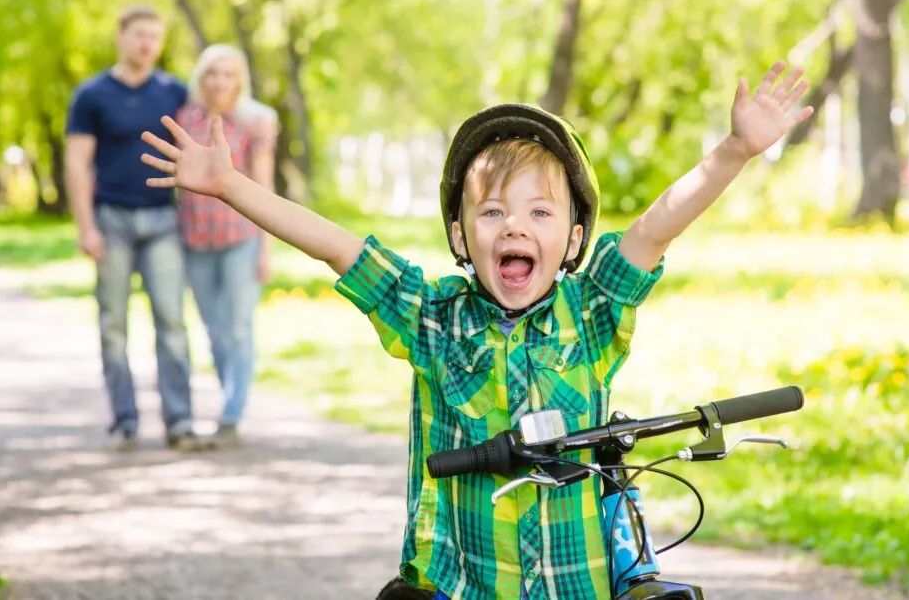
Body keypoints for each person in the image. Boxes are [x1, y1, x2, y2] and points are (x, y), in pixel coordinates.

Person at [139, 61, 814, 598]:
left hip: (576, 583)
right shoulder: (432, 317)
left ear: (575, 236)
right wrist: (231, 186)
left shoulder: (594, 313)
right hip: (462, 581)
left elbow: (656, 226)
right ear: (461, 234)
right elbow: (338, 247)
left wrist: (733, 151)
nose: (515, 227)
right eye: (492, 212)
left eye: (540, 213)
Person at [65, 4, 205, 452]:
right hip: (112, 220)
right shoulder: (91, 95)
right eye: (139, 34)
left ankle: (180, 421)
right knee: (113, 324)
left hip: (164, 219)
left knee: (171, 322)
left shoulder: (174, 92)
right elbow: (76, 162)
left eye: (155, 37)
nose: (147, 44)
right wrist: (85, 226)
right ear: (120, 36)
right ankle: (124, 420)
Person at [176, 44, 276, 446]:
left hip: (241, 239)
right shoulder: (186, 119)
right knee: (214, 331)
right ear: (201, 78)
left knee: (237, 328)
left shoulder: (256, 123)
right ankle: (229, 400)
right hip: (196, 239)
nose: (220, 81)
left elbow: (264, 187)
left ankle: (231, 415)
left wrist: (267, 248)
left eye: (228, 73)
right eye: (212, 73)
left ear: (240, 80)